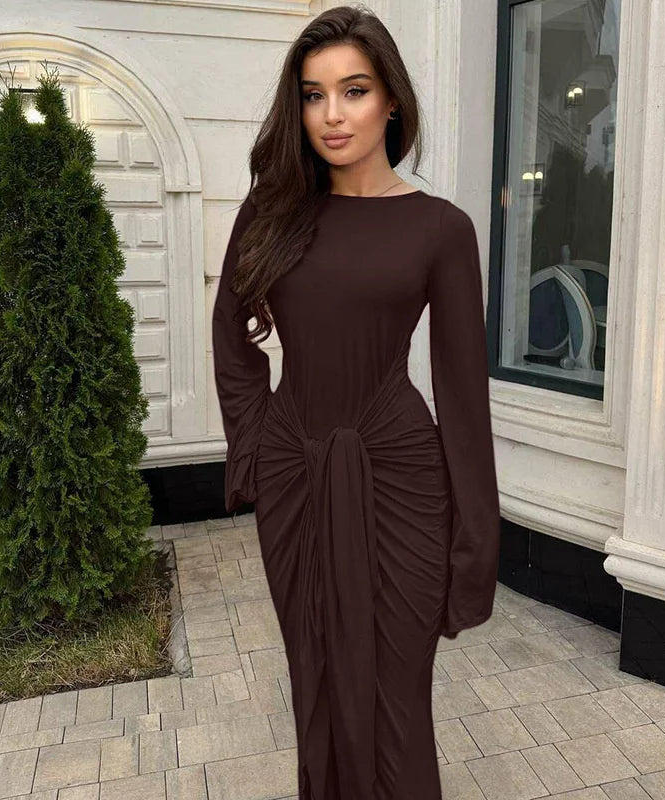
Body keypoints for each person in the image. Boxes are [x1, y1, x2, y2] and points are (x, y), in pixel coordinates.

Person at [211, 5, 501, 799]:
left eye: (354, 90)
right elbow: (230, 341)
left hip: (403, 486)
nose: (332, 115)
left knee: (397, 699)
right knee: (316, 686)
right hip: (296, 484)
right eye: (313, 95)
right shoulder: (272, 212)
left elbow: (463, 400)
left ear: (391, 102)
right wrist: (257, 447)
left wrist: (475, 548)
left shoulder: (441, 229)